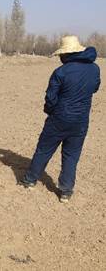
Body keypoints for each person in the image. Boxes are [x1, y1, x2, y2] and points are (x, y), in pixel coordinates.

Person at [20, 35, 101, 203]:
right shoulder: (95, 69)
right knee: (72, 155)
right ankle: (66, 191)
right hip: (81, 121)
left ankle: (30, 180)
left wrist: (50, 111)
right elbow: (95, 88)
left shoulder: (60, 72)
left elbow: (51, 98)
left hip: (59, 119)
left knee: (44, 149)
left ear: (66, 54)